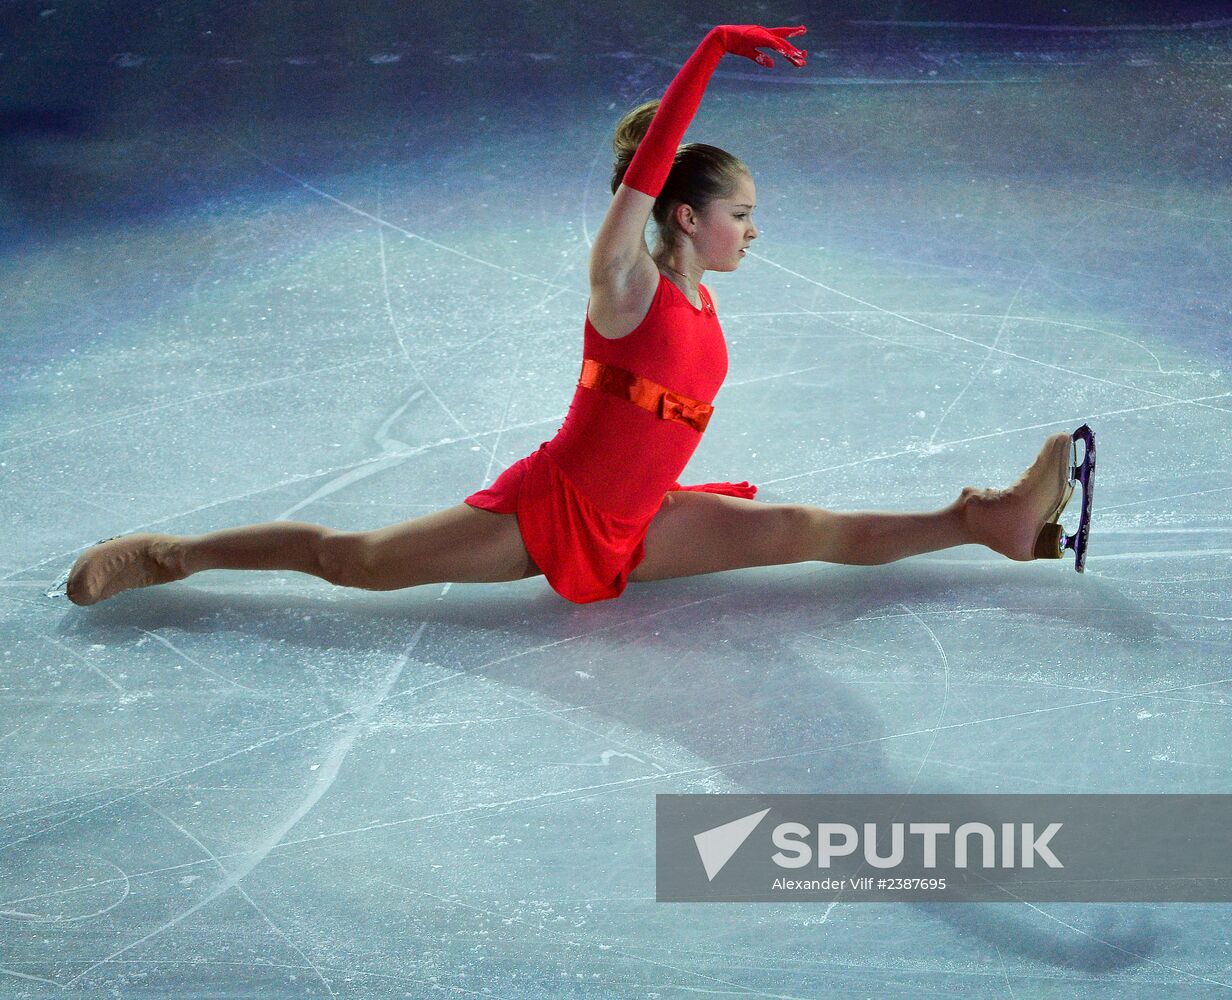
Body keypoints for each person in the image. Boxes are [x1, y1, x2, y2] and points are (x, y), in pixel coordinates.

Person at [63, 24, 1084, 609]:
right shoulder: (625, 280)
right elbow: (642, 176)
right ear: (684, 214)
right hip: (551, 510)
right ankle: (172, 554)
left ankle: (984, 520)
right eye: (741, 214)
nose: (752, 232)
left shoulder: (698, 297)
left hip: (644, 518)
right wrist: (715, 48)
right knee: (355, 561)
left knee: (813, 527)